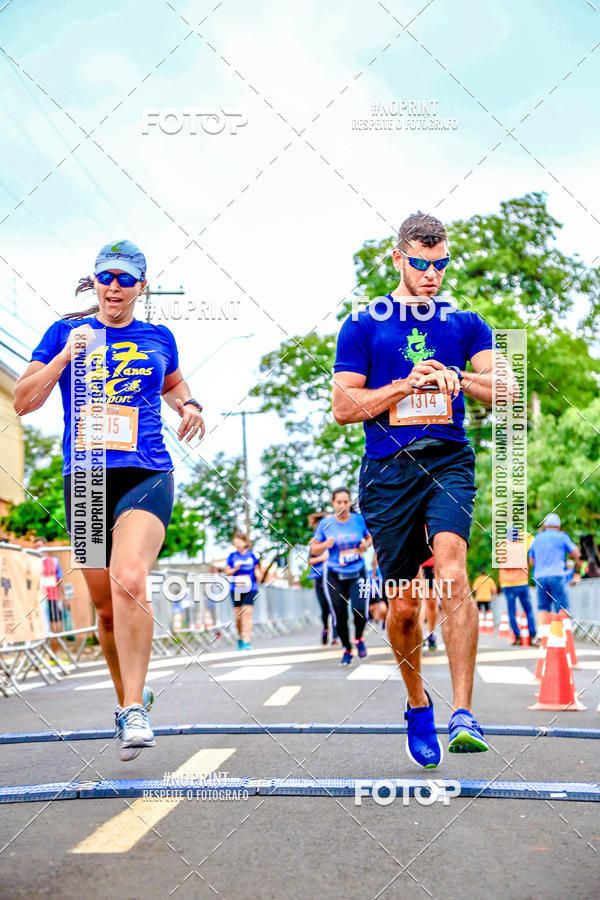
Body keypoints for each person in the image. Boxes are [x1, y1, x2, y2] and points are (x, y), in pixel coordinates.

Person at [332, 211, 516, 765]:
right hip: (388, 473)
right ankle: (418, 704)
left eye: (440, 264)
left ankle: (464, 712)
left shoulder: (465, 324)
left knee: (455, 568)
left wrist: (461, 379)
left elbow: (506, 388)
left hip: (448, 459)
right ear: (398, 259)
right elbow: (343, 407)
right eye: (421, 263)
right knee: (405, 609)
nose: (432, 274)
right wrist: (404, 385)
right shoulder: (364, 325)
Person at [14, 240, 204, 760]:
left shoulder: (158, 336)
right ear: (94, 282)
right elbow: (23, 401)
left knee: (130, 578)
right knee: (104, 608)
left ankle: (136, 709)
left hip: (146, 471)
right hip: (88, 479)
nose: (114, 287)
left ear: (141, 285)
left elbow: (176, 385)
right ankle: (128, 702)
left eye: (125, 278)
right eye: (106, 278)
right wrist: (62, 357)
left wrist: (190, 406)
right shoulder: (64, 332)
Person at [310, 488, 372, 664]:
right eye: (339, 502)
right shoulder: (325, 524)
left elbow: (370, 538)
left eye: (346, 502)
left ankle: (359, 638)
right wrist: (325, 545)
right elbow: (313, 549)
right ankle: (347, 648)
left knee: (360, 610)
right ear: (333, 503)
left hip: (358, 571)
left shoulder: (359, 520)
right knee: (339, 614)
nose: (343, 505)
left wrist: (364, 545)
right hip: (334, 574)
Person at [528, 513, 580, 615]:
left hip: (540, 577)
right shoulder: (562, 537)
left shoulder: (536, 539)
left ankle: (544, 630)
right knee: (561, 607)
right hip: (557, 576)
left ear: (545, 525)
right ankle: (564, 629)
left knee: (543, 608)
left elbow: (531, 562)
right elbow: (576, 553)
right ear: (559, 525)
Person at [498, 531, 539, 647]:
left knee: (511, 611)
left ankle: (516, 637)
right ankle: (532, 636)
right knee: (528, 610)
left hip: (507, 584)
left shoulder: (502, 546)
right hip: (521, 582)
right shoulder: (522, 545)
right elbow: (532, 540)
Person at [224, 532, 261, 650]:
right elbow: (227, 572)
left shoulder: (252, 556)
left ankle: (247, 641)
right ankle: (240, 636)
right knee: (239, 616)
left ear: (245, 542)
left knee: (248, 613)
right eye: (235, 543)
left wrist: (258, 574)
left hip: (250, 588)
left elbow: (257, 570)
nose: (237, 545)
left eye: (239, 542)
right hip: (236, 588)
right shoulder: (232, 556)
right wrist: (236, 568)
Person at [307, 512, 338, 645]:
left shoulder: (335, 539)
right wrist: (322, 558)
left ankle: (336, 636)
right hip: (319, 578)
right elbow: (310, 561)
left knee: (335, 607)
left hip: (333, 577)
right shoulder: (315, 543)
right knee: (325, 608)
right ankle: (325, 628)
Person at [33, 539, 67, 656]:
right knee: (41, 630)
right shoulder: (33, 562)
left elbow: (60, 580)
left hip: (53, 598)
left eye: (39, 545)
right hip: (38, 601)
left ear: (45, 545)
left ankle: (54, 655)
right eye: (35, 547)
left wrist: (65, 598)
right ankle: (41, 657)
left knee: (56, 628)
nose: (37, 548)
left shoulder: (54, 561)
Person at [420, 552, 438, 651]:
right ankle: (419, 634)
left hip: (432, 564)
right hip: (416, 562)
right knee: (420, 601)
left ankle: (431, 634)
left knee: (431, 602)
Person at [368, 551, 387, 628]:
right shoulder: (370, 571)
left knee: (382, 607)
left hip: (382, 591)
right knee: (373, 608)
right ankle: (378, 619)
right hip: (373, 593)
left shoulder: (382, 569)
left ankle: (383, 619)